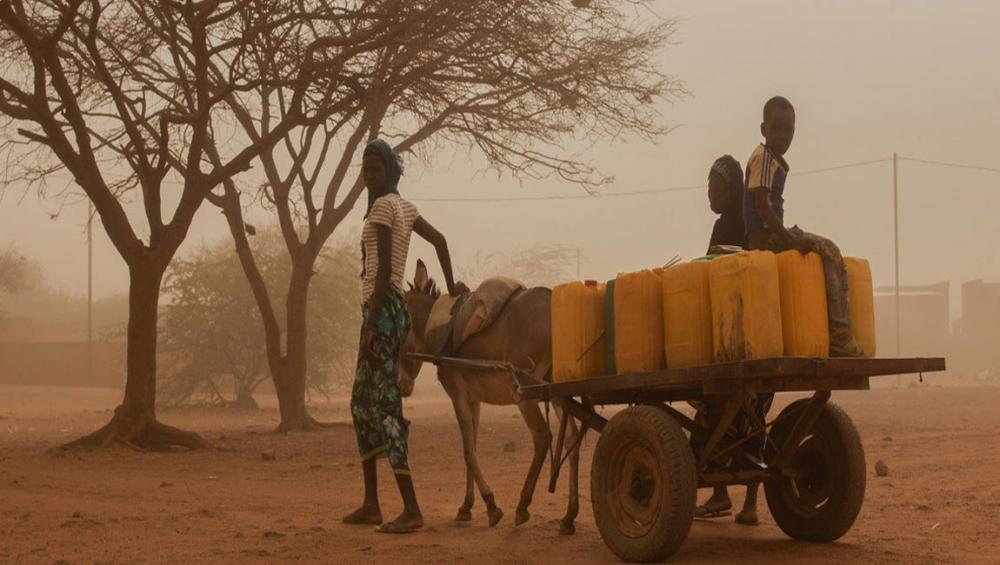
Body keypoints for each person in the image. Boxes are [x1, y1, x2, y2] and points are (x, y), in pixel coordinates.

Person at [343, 139, 459, 534]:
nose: (369, 176)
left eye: (375, 169)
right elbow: (440, 241)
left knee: (385, 408)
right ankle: (371, 504)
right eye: (365, 170)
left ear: (390, 171)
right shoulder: (406, 208)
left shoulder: (382, 207)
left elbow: (381, 272)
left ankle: (411, 510)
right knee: (361, 404)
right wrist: (451, 287)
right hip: (388, 312)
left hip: (382, 312)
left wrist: (371, 324)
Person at [744, 96, 865, 358]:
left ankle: (832, 332)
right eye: (776, 128)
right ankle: (840, 335)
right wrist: (791, 240)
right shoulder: (763, 158)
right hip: (767, 239)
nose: (783, 135)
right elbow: (762, 205)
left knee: (822, 252)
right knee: (829, 250)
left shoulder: (772, 159)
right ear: (763, 129)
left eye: (789, 130)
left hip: (771, 235)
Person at [695, 155, 766, 525]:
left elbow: (714, 271)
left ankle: (725, 494)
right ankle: (743, 502)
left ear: (732, 189)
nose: (710, 196)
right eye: (708, 189)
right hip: (756, 331)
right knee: (753, 419)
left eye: (716, 189)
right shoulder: (744, 221)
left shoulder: (731, 224)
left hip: (736, 333)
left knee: (718, 415)